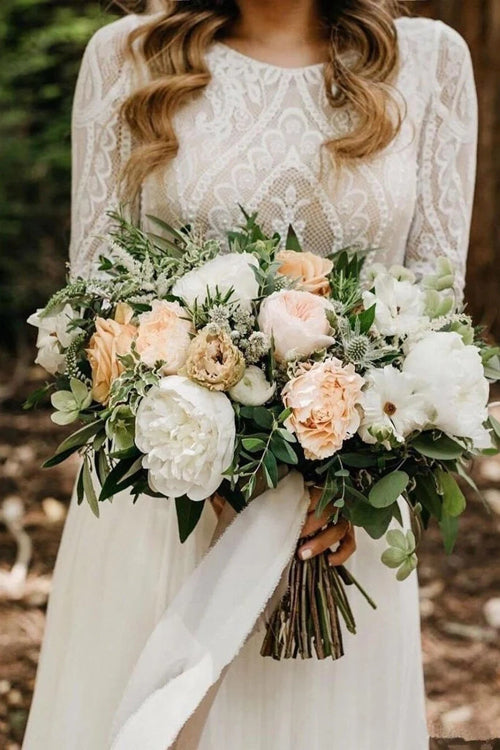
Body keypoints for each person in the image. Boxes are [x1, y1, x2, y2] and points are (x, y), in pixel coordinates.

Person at [23, 1, 478, 748]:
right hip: (166, 499)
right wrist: (204, 466)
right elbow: (91, 309)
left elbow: (435, 316)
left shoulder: (429, 61)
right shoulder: (127, 57)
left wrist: (360, 480)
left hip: (337, 522)